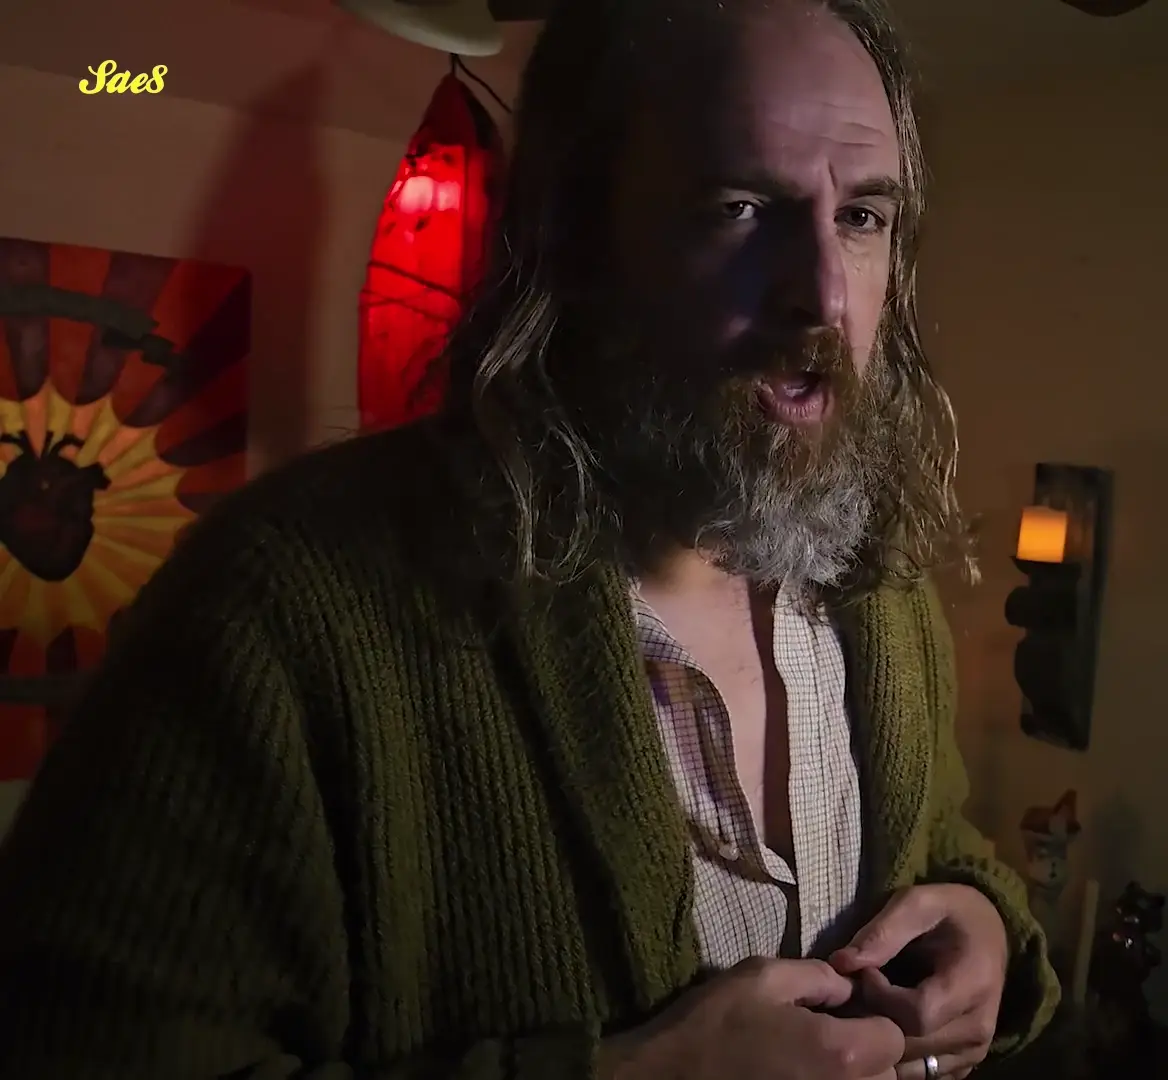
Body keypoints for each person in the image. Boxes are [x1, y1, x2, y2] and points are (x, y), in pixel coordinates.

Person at [0, 0, 1059, 1077]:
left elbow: (939, 844)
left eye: (863, 217)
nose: (824, 295)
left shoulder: (876, 583)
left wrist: (983, 926)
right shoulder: (277, 606)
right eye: (741, 208)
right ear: (577, 234)